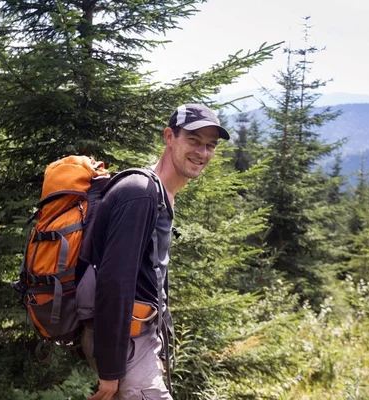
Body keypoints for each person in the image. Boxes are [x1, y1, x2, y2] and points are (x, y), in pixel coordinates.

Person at [87, 104, 230, 400]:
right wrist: (110, 371)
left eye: (210, 145)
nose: (202, 153)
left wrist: (159, 349)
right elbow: (114, 284)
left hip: (140, 341)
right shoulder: (141, 193)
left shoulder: (162, 195)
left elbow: (150, 278)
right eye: (193, 140)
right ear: (170, 137)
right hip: (127, 345)